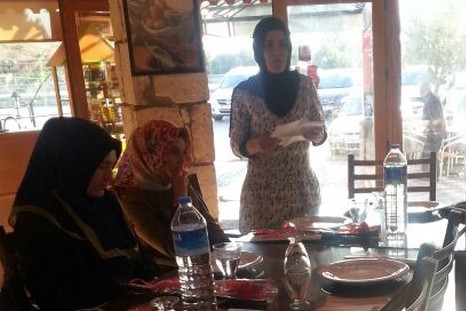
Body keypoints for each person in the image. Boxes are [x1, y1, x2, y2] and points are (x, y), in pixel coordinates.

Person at [10, 117, 156, 311]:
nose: (109, 177)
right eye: (102, 166)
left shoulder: (105, 202)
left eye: (111, 166)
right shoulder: (38, 218)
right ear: (74, 163)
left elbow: (141, 261)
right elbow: (62, 295)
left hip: (130, 308)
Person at [229, 16, 327, 233]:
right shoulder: (244, 92)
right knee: (264, 254)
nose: (277, 52)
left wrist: (316, 134)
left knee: (306, 252)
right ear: (259, 50)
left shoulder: (305, 85)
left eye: (282, 44)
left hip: (302, 193)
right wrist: (257, 145)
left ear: (289, 48)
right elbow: (236, 145)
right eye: (269, 45)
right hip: (261, 199)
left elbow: (322, 132)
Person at [113, 119, 228, 268]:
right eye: (174, 152)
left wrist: (228, 251)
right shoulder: (131, 198)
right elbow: (175, 248)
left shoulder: (176, 181)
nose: (182, 160)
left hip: (200, 267)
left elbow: (209, 225)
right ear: (152, 154)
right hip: (165, 273)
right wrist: (181, 202)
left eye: (183, 152)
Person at [419, 81, 446, 155]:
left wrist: (427, 126)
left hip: (434, 136)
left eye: (421, 90)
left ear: (426, 90)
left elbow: (436, 120)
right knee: (431, 157)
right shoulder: (432, 99)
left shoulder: (431, 101)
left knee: (429, 157)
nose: (420, 93)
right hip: (435, 135)